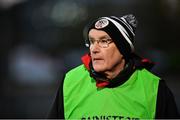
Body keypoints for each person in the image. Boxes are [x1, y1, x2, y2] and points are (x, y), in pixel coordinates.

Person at [48, 14, 179, 119]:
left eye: (104, 41)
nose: (94, 49)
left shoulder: (154, 87)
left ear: (124, 49)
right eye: (92, 41)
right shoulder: (70, 81)